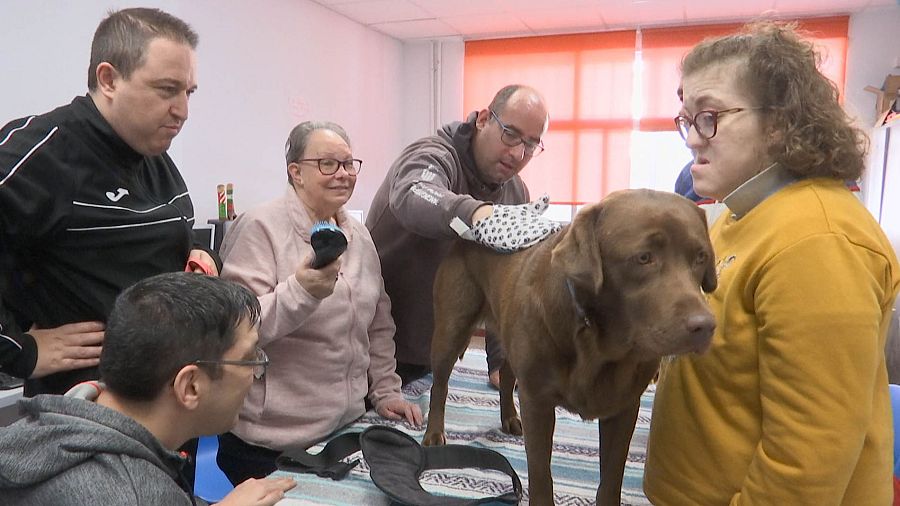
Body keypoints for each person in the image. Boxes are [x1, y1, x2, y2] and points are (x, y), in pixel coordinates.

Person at [644, 22, 900, 505]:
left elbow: (808, 459)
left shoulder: (817, 240)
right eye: (686, 119)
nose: (692, 139)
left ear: (780, 123)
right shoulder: (740, 216)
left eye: (709, 116)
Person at [0, 7, 218, 394]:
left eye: (189, 92)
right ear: (109, 79)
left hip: (166, 399)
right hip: (87, 417)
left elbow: (175, 238)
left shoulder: (153, 154)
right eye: (167, 90)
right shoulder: (40, 153)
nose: (183, 111)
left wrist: (201, 257)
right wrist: (19, 351)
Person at [215, 121, 424, 484]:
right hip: (272, 443)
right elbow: (238, 330)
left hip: (343, 431)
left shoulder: (357, 235)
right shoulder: (259, 228)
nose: (343, 174)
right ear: (295, 172)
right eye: (328, 164)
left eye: (349, 164)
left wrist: (386, 390)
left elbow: (377, 321)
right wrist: (303, 291)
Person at [0, 272, 295, 505]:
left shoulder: (51, 426)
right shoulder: (133, 492)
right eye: (249, 360)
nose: (257, 371)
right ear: (190, 386)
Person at [366, 84, 558, 386]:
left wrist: (500, 363)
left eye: (531, 144)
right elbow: (413, 194)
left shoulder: (515, 192)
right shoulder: (432, 155)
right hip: (372, 353)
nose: (519, 152)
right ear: (483, 119)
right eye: (511, 133)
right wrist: (479, 216)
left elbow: (502, 285)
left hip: (433, 356)